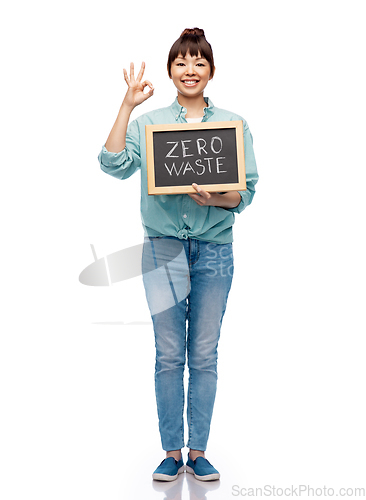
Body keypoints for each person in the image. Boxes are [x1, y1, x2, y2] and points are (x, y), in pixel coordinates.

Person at [98, 28, 259, 482]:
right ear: (171, 71)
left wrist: (216, 199)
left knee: (203, 354)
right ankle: (172, 452)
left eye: (199, 63)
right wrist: (128, 105)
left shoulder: (233, 124)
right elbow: (112, 165)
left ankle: (199, 451)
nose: (190, 70)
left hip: (215, 250)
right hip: (163, 248)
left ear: (211, 72)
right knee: (169, 353)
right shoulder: (149, 125)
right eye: (182, 63)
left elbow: (244, 192)